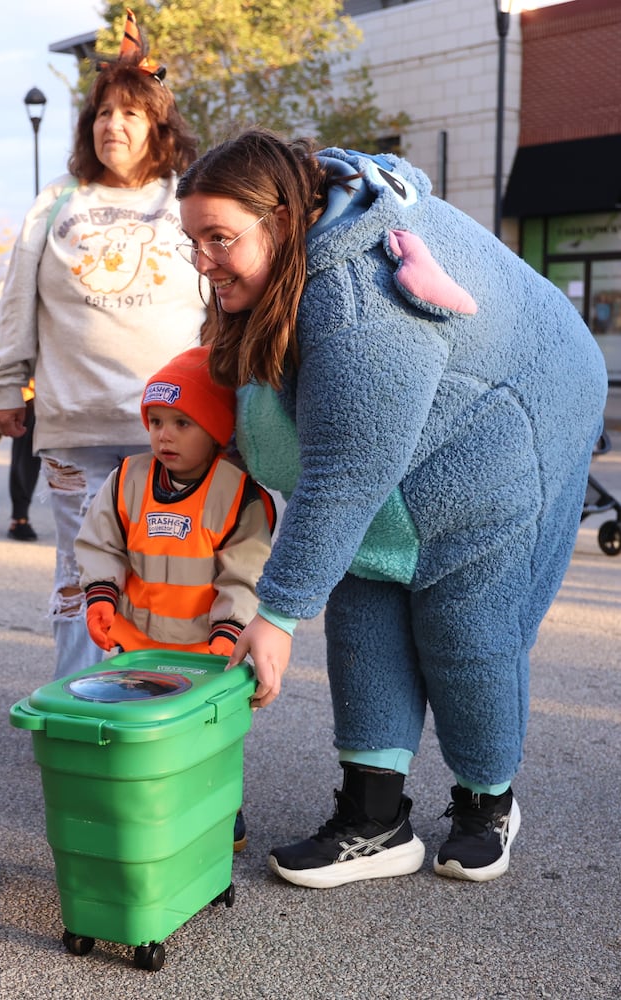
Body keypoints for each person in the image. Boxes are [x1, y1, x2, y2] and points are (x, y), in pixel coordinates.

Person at [174, 127, 608, 887]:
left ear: (280, 219)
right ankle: (374, 819)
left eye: (219, 238)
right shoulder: (293, 265)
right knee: (365, 600)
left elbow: (348, 469)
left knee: (467, 625)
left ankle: (486, 804)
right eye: (193, 240)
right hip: (416, 428)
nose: (203, 261)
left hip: (518, 418)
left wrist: (275, 614)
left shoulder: (360, 297)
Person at [0, 10, 206, 678]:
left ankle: (153, 701)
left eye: (131, 115)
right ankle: (79, 703)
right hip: (75, 427)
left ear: (158, 128)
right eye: (104, 113)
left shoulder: (187, 197)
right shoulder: (56, 201)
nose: (114, 125)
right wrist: (3, 387)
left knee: (165, 567)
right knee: (85, 569)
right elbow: (16, 298)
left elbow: (220, 303)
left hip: (173, 425)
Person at [75, 344, 276, 850]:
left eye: (182, 423)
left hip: (212, 651)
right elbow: (100, 542)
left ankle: (220, 806)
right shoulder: (127, 479)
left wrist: (228, 632)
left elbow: (245, 574)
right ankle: (145, 809)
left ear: (216, 429)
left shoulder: (239, 494)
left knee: (212, 737)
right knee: (139, 729)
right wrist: (101, 598)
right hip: (139, 644)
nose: (164, 434)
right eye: (156, 421)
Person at [0, 259, 41, 542]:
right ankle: (20, 516)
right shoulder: (10, 267)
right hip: (24, 373)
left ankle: (21, 515)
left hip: (34, 371)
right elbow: (7, 317)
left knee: (28, 450)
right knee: (25, 447)